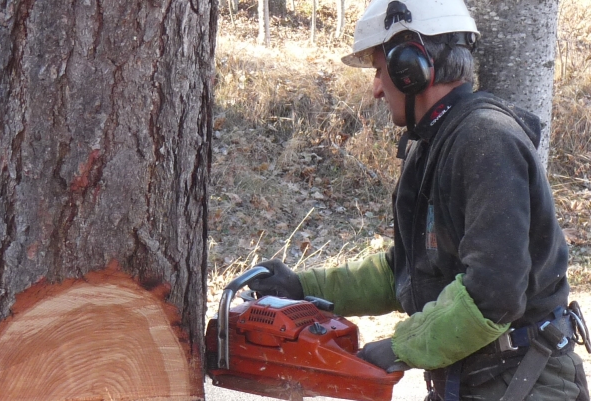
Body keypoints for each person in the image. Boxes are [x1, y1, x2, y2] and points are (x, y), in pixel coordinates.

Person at [249, 0, 590, 400]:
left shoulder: (487, 141)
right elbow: (408, 270)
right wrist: (303, 286)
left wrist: (400, 346)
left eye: (379, 71)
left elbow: (494, 294)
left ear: (409, 68)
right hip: (477, 376)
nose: (376, 89)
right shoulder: (435, 143)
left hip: (525, 381)